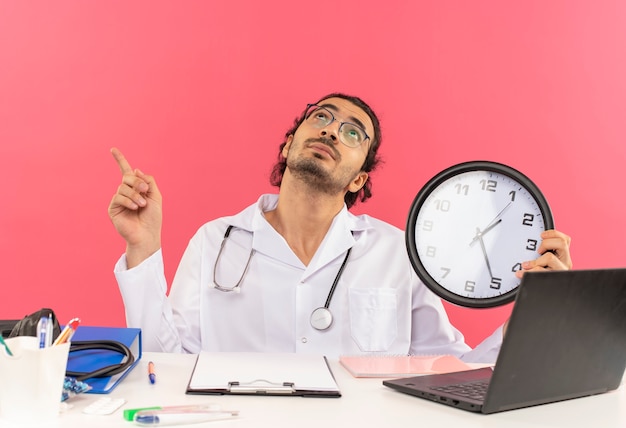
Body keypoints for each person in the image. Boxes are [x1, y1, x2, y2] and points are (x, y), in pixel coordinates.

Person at [108, 92, 573, 362]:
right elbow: (164, 365)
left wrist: (532, 313)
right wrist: (144, 249)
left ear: (359, 178)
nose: (332, 131)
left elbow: (453, 374)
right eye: (322, 118)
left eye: (354, 132)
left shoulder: (398, 253)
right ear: (289, 145)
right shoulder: (216, 241)